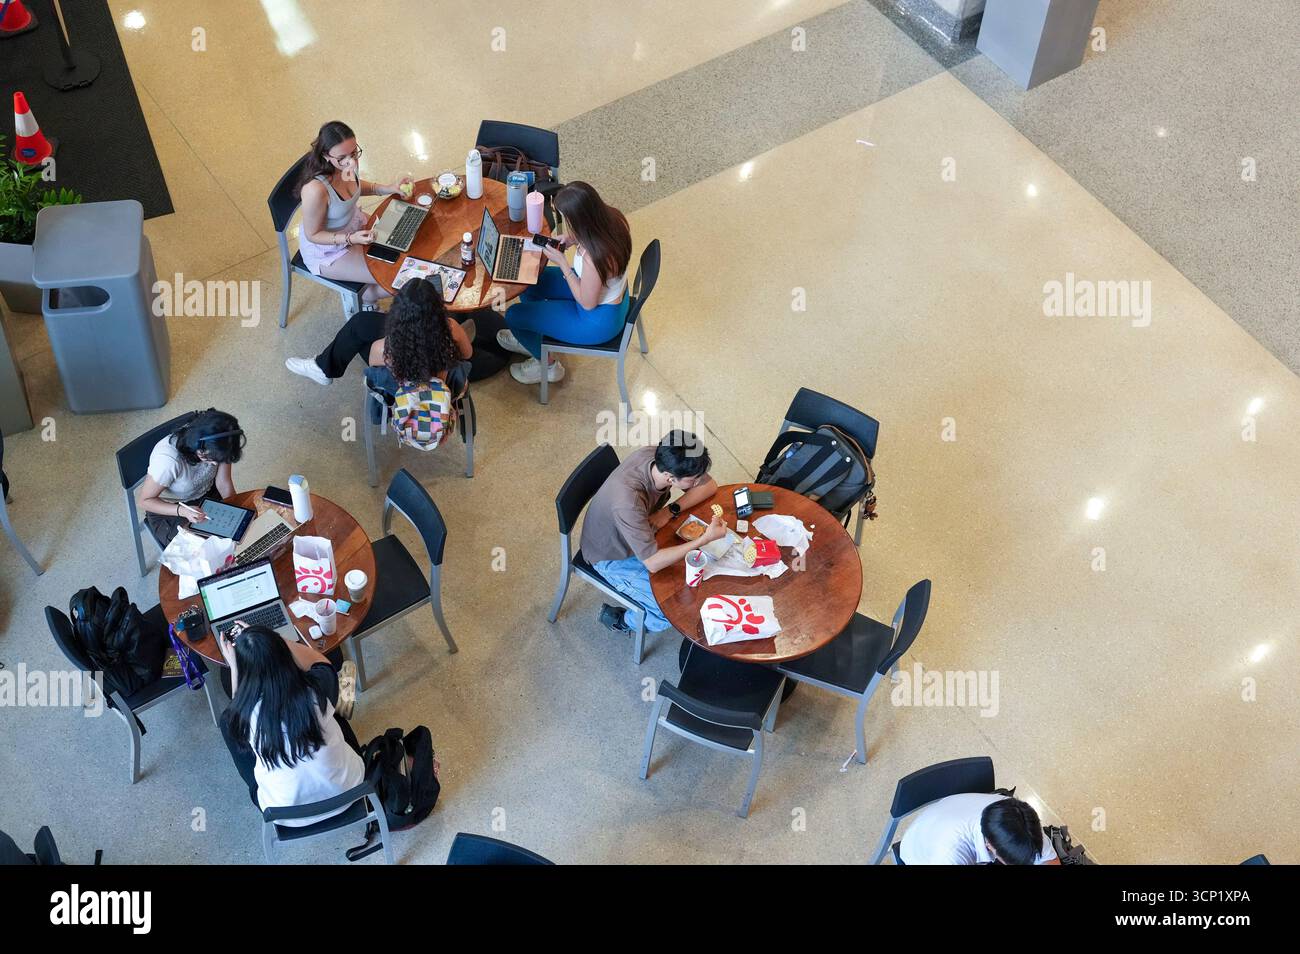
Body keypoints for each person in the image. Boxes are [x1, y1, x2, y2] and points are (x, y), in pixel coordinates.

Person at [580, 430, 725, 636]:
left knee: (691, 572)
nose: (696, 483)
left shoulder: (658, 456)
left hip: (639, 532)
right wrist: (705, 538)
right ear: (670, 478)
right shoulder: (627, 502)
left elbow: (709, 486)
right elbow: (653, 563)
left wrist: (668, 511)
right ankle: (624, 621)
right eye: (692, 480)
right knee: (671, 608)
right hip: (611, 556)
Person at [218, 625, 364, 825]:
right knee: (334, 717)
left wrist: (235, 667)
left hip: (285, 815)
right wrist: (275, 640)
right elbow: (322, 662)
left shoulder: (234, 719)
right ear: (284, 655)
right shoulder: (317, 688)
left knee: (244, 746)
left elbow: (236, 709)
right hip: (351, 790)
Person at [495, 181, 632, 385]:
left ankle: (548, 366)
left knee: (514, 316)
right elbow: (593, 241)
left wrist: (563, 264)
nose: (566, 223)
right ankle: (531, 336)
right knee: (530, 280)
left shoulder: (594, 258)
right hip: (606, 292)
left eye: (568, 220)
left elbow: (587, 303)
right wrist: (571, 238)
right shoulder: (613, 218)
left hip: (595, 319)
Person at [284, 277, 473, 397]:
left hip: (400, 391)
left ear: (399, 311)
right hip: (443, 387)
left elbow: (374, 364)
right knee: (362, 323)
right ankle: (323, 367)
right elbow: (467, 354)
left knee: (359, 328)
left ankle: (323, 367)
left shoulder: (386, 347)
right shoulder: (452, 327)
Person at [296, 120, 414, 306]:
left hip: (354, 225)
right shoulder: (315, 190)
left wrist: (389, 188)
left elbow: (356, 186)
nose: (351, 162)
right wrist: (351, 239)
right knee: (395, 274)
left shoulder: (345, 164)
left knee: (405, 249)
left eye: (354, 153)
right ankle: (368, 296)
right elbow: (313, 235)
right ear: (326, 155)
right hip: (328, 248)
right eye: (343, 157)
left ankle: (367, 289)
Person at [138, 408, 244, 548]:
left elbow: (223, 482)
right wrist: (183, 511)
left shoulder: (222, 442)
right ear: (198, 447)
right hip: (172, 509)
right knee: (207, 551)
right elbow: (144, 501)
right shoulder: (168, 460)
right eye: (212, 459)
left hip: (206, 493)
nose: (215, 464)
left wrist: (234, 509)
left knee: (241, 531)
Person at [898, 793, 1061, 865]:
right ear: (990, 846)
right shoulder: (950, 856)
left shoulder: (1020, 818)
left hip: (947, 816)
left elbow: (1049, 860)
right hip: (921, 854)